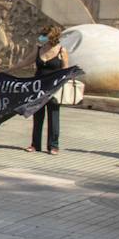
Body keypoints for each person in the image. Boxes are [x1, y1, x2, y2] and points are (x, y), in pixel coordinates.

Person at [29, 24, 69, 155]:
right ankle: (35, 144)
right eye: (43, 34)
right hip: (39, 87)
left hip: (53, 88)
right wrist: (10, 70)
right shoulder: (39, 48)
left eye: (45, 35)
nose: (42, 37)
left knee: (53, 116)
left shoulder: (61, 50)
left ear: (52, 36)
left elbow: (65, 70)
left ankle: (53, 146)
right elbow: (27, 61)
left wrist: (61, 85)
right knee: (37, 116)